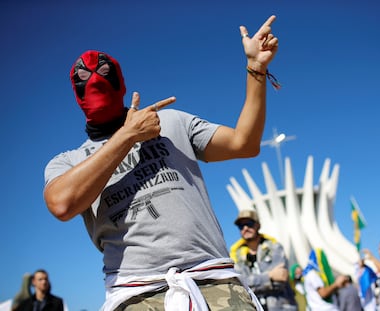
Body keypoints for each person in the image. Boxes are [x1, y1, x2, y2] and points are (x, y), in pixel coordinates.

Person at [43, 15, 279, 311]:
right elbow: (62, 204)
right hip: (136, 294)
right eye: (84, 78)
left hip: (215, 283)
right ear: (76, 96)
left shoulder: (169, 122)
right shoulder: (68, 162)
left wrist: (256, 70)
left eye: (104, 72)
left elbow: (244, 143)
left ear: (121, 82)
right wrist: (128, 135)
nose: (94, 79)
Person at [229, 210, 298, 310]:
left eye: (249, 224)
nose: (245, 228)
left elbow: (280, 280)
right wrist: (270, 276)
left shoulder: (274, 247)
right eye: (241, 226)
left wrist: (249, 282)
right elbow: (239, 286)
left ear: (258, 225)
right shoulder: (236, 255)